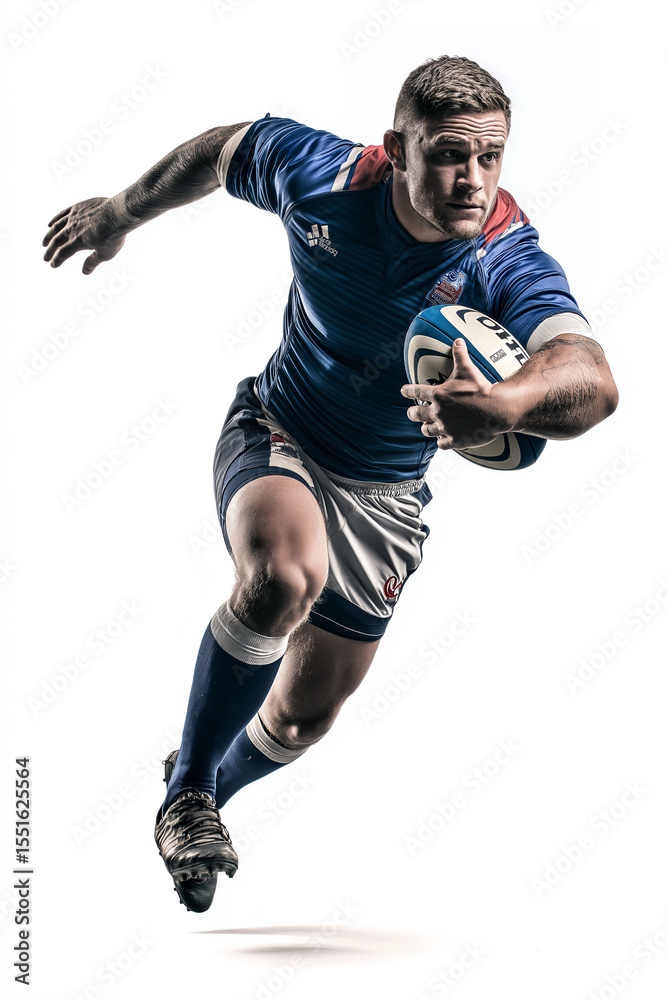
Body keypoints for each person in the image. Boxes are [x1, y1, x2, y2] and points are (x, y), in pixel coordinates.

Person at [42, 55, 618, 913]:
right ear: (398, 148)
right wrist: (120, 212)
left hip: (386, 495)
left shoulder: (502, 252)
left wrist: (502, 402)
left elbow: (591, 379)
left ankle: (198, 788)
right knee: (281, 577)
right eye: (449, 155)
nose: (472, 179)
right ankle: (191, 792)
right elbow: (219, 150)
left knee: (302, 719)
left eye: (490, 157)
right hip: (282, 430)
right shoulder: (323, 174)